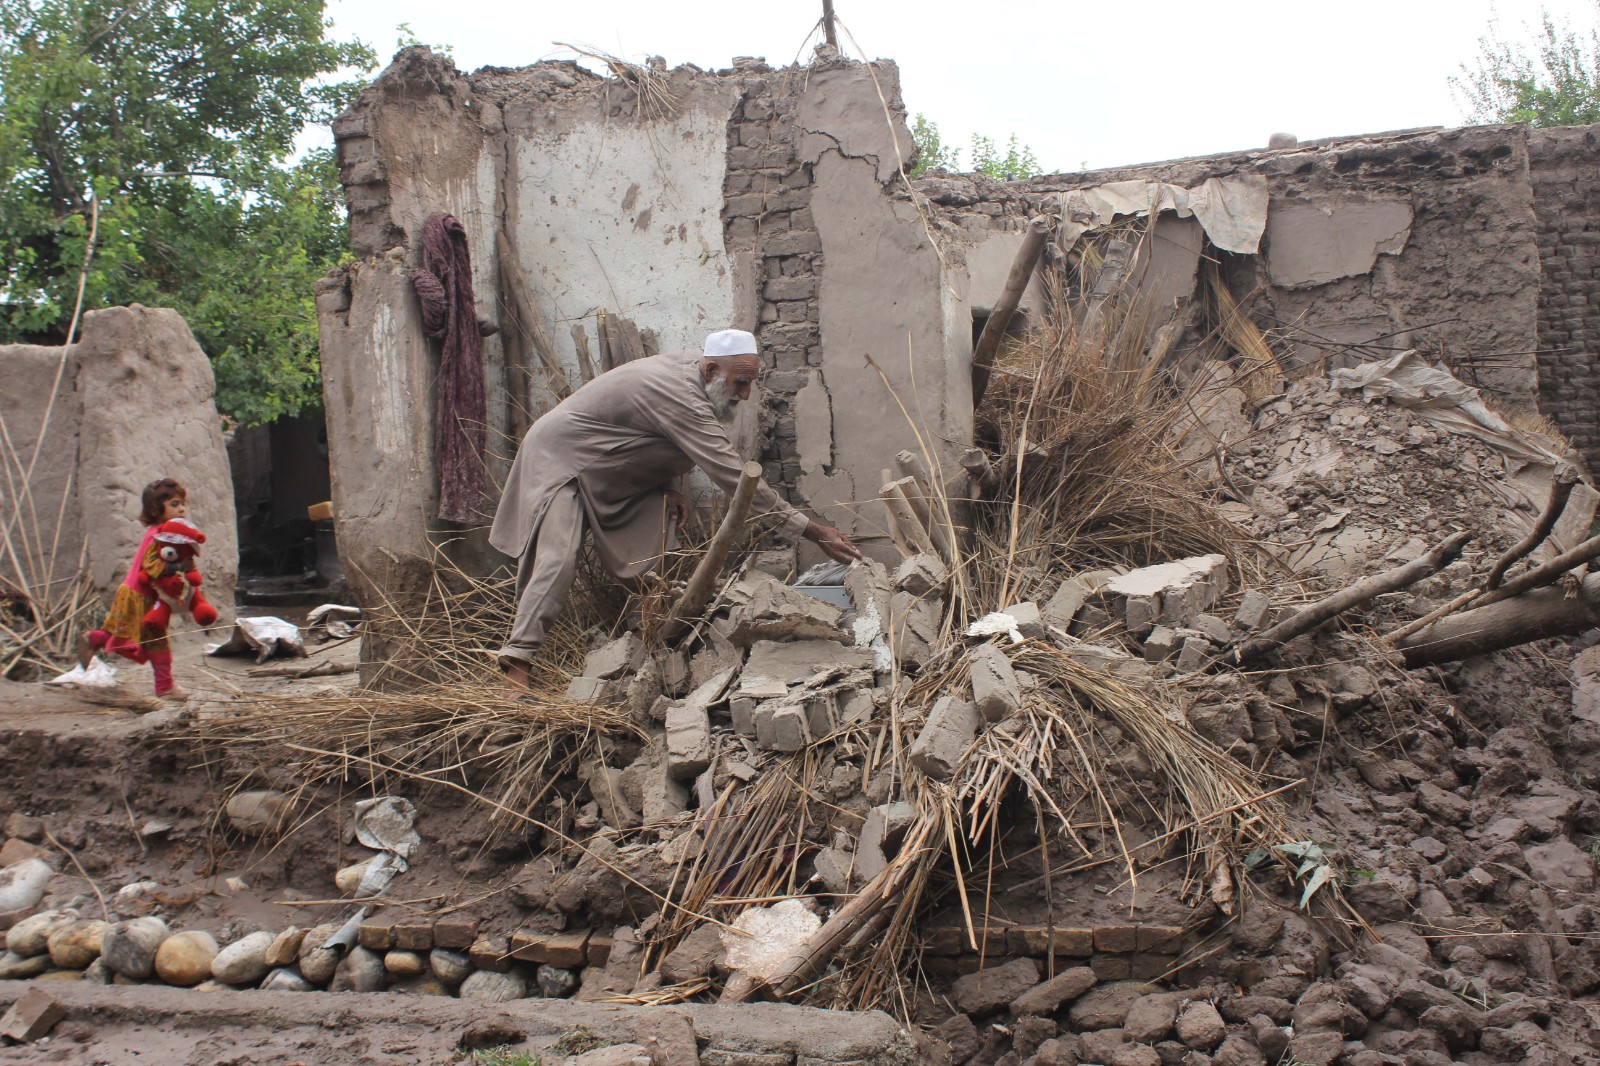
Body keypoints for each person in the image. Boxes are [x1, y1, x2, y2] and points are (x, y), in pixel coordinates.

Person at [490, 328, 862, 689]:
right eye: (740, 383)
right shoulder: (683, 396)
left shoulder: (696, 375)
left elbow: (648, 431)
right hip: (563, 462)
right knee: (557, 559)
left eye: (750, 383)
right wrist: (813, 532)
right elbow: (737, 478)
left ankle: (642, 638)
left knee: (658, 537)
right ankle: (516, 663)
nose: (746, 395)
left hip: (609, 470)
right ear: (712, 370)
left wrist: (667, 487)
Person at [83, 478, 219, 698]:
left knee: (144, 638)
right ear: (156, 510)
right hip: (137, 596)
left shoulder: (165, 534)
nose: (182, 509)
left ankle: (94, 641)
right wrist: (179, 566)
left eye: (182, 503)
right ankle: (164, 687)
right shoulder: (158, 537)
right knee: (143, 639)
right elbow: (151, 565)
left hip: (139, 595)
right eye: (174, 504)